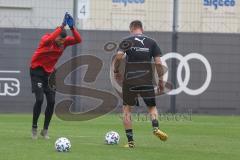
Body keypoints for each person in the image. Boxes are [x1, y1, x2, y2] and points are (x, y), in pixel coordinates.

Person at [113, 20, 168, 148]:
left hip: (130, 80)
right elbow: (159, 63)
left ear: (131, 29)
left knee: (127, 109)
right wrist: (161, 80)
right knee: (152, 107)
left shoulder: (127, 40)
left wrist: (116, 70)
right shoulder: (152, 42)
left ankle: (131, 142)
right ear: (141, 29)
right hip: (146, 80)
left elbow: (119, 56)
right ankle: (155, 128)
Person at [30, 13, 82, 139]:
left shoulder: (64, 42)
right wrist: (62, 25)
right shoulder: (46, 39)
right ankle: (34, 127)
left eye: (63, 40)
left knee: (52, 101)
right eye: (59, 40)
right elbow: (49, 40)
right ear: (56, 36)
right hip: (37, 71)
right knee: (39, 99)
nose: (61, 43)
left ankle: (45, 130)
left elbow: (79, 40)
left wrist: (72, 28)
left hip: (50, 73)